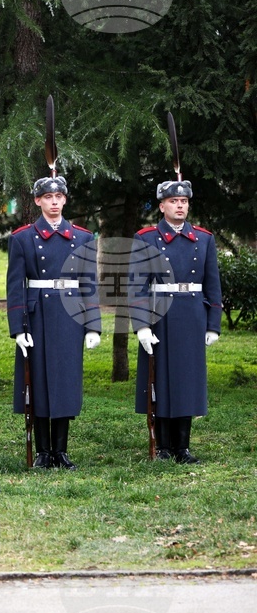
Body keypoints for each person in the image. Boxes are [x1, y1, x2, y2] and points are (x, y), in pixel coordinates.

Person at [6, 175, 101, 470]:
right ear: (38, 201)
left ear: (65, 200)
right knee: (38, 382)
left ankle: (61, 451)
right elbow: (15, 286)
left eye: (59, 196)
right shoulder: (22, 238)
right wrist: (17, 328)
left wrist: (92, 325)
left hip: (70, 316)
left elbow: (90, 284)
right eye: (48, 197)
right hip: (37, 317)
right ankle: (43, 451)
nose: (55, 202)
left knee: (64, 382)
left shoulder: (83, 237)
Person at [129, 180, 221, 463]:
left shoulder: (204, 239)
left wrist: (213, 323)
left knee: (187, 380)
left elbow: (212, 284)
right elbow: (137, 286)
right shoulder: (145, 238)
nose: (179, 206)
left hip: (192, 314)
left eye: (183, 202)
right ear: (162, 206)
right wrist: (142, 325)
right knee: (161, 379)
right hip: (160, 315)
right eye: (173, 202)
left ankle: (183, 447)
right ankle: (164, 446)